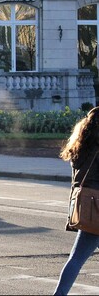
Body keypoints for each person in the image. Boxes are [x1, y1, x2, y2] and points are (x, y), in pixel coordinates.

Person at [54, 106, 99, 295]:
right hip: (96, 207)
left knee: (76, 258)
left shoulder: (79, 147)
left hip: (86, 208)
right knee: (77, 258)